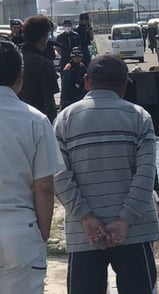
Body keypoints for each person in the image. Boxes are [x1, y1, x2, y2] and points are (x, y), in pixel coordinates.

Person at [53, 54, 159, 294]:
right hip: (134, 232)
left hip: (85, 234)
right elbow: (146, 176)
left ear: (87, 82)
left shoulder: (64, 120)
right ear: (124, 85)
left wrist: (86, 216)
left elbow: (59, 175)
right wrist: (125, 219)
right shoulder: (140, 117)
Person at [0, 38, 64, 294]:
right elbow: (45, 188)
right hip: (20, 228)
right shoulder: (36, 121)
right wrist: (42, 235)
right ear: (20, 76)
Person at [19, 15, 59, 122]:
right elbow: (49, 103)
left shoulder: (14, 58)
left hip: (13, 120)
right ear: (43, 38)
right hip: (37, 122)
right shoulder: (44, 63)